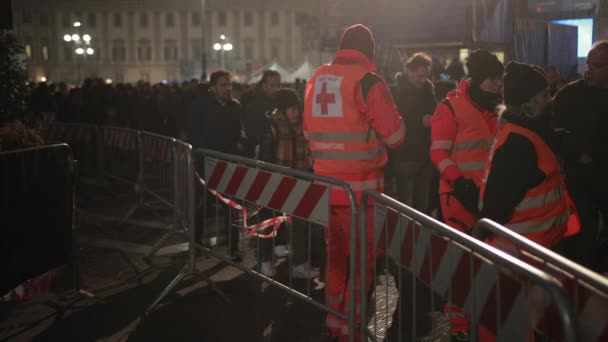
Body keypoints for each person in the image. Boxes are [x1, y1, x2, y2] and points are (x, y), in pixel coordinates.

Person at [303, 24, 406, 342]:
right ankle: (352, 328)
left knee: (334, 259)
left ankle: (334, 321)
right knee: (363, 263)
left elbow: (309, 132)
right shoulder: (369, 81)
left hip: (325, 188)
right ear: (370, 51)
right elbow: (396, 137)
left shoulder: (316, 78)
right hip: (361, 193)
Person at [429, 50, 503, 341]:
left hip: (490, 197)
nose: (497, 86)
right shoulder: (450, 107)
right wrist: (459, 182)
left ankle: (483, 319)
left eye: (499, 80)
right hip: (457, 197)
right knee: (460, 261)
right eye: (491, 80)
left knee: (487, 262)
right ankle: (459, 324)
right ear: (476, 79)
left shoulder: (498, 108)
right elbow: (437, 152)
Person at [476, 61, 580, 250]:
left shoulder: (525, 133)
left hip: (535, 246)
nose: (550, 100)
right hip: (522, 253)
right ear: (527, 106)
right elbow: (496, 205)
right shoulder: (518, 144)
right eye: (544, 95)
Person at [553, 40, 608, 270]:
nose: (589, 69)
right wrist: (576, 154)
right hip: (579, 177)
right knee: (582, 232)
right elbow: (554, 129)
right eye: (589, 63)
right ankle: (582, 280)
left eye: (597, 65)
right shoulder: (569, 94)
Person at [258, 88, 322, 279]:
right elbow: (266, 157)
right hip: (275, 180)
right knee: (269, 222)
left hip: (299, 180)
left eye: (297, 108)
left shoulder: (301, 127)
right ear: (282, 109)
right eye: (292, 109)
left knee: (300, 223)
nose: (296, 113)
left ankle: (299, 264)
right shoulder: (273, 126)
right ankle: (266, 261)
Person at [188, 70, 244, 260]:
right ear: (212, 88)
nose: (228, 88)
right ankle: (196, 244)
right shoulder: (200, 106)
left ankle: (233, 247)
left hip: (228, 164)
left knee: (232, 205)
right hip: (205, 162)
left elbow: (237, 134)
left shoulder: (235, 107)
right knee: (200, 206)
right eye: (223, 85)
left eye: (229, 85)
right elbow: (194, 133)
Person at [389, 52, 437, 212]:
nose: (423, 80)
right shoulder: (396, 91)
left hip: (425, 155)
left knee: (423, 205)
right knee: (406, 206)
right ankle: (406, 236)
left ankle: (420, 237)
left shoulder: (428, 90)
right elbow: (392, 120)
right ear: (409, 70)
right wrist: (419, 121)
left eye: (425, 76)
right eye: (419, 76)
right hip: (405, 155)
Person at [241, 69, 281, 155]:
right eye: (272, 85)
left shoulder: (278, 100)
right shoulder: (254, 104)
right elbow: (251, 131)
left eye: (278, 85)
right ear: (264, 86)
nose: (277, 89)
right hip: (258, 151)